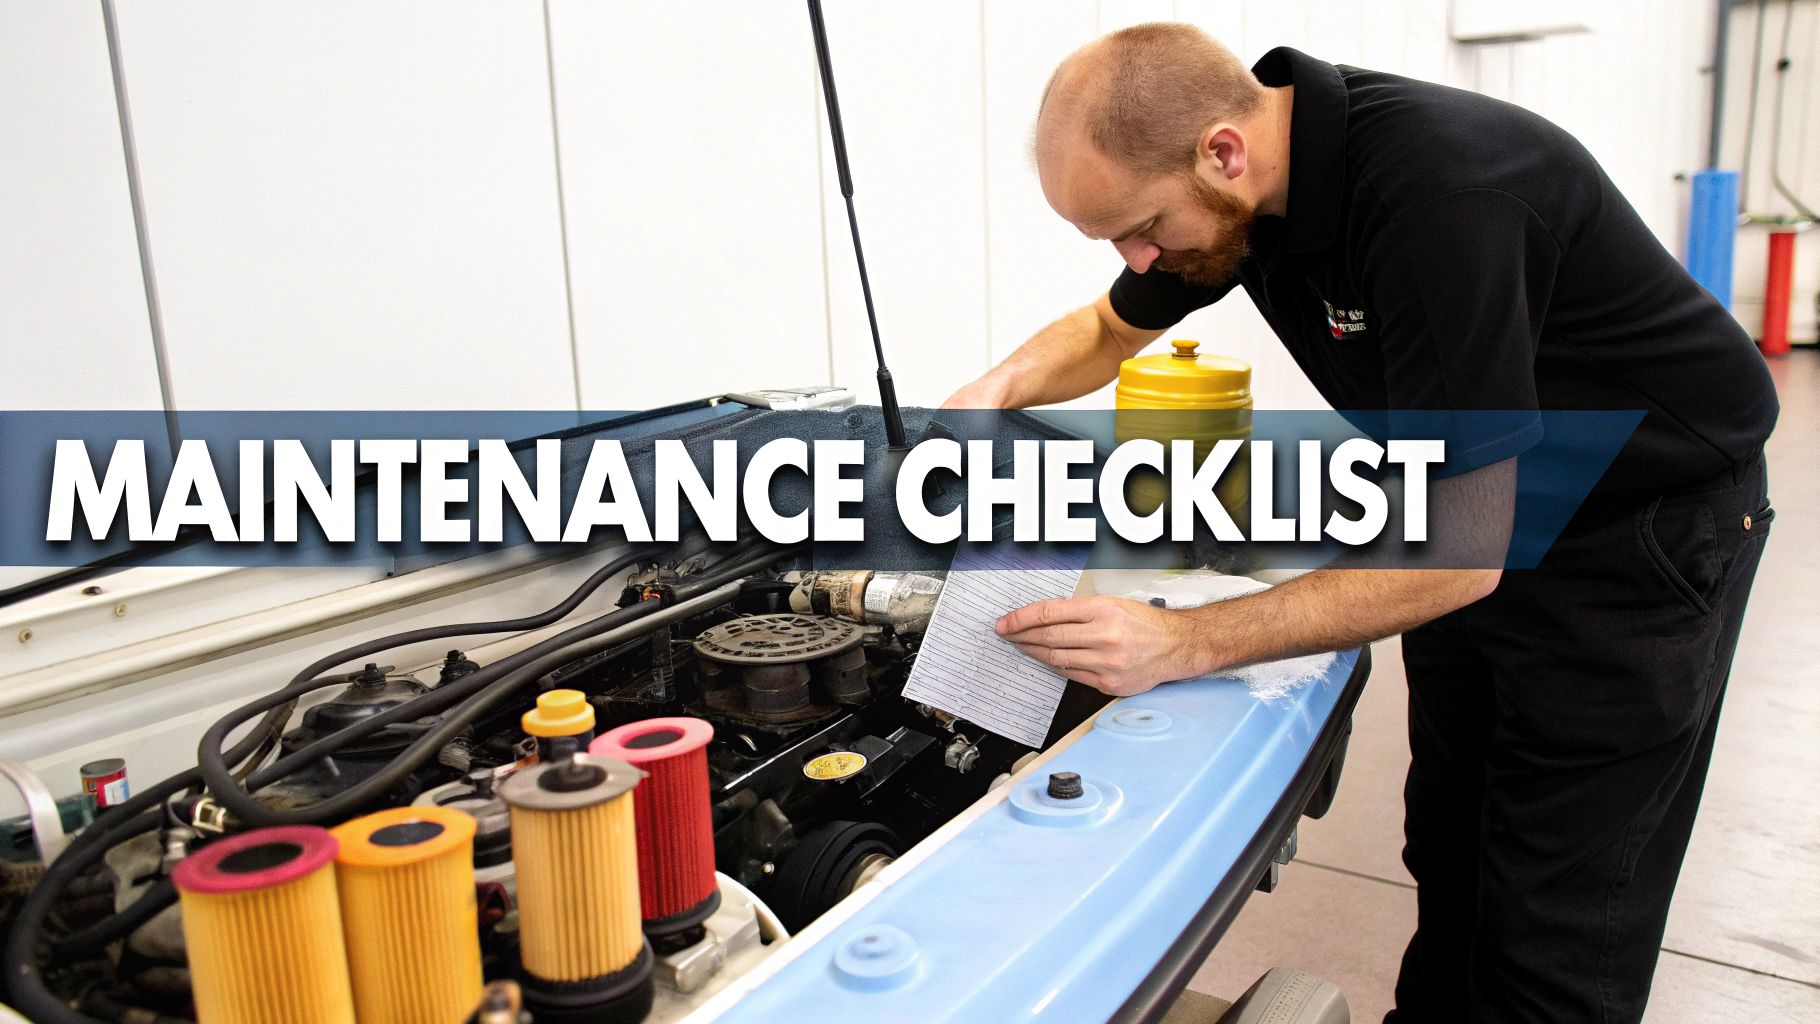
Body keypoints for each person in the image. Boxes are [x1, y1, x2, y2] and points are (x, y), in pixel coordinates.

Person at [950, 23, 1779, 1024]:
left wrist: (1187, 639)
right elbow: (1104, 327)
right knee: (1452, 839)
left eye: (1139, 227)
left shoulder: (1442, 200)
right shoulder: (1240, 194)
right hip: (1471, 501)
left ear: (1220, 151)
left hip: (1635, 529)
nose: (1137, 258)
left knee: (1555, 908)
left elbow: (1462, 561)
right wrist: (986, 394)